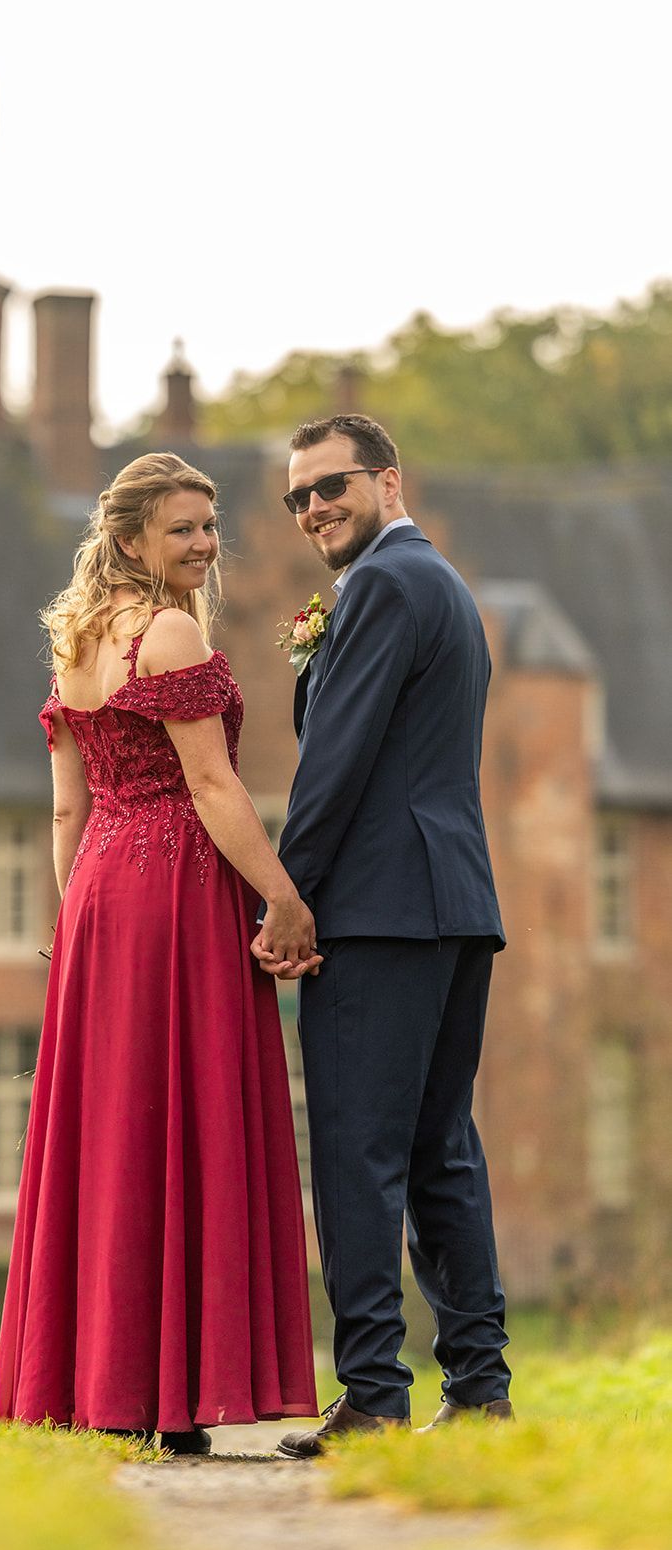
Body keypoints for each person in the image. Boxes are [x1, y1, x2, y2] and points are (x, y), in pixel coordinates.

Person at [0, 454, 320, 1452]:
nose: (204, 544)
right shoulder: (167, 630)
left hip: (99, 892)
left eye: (209, 526)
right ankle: (177, 1393)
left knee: (118, 1129)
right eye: (183, 529)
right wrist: (282, 897)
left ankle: (113, 1389)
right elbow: (212, 786)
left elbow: (67, 809)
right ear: (130, 539)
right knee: (183, 1114)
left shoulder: (76, 638)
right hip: (175, 886)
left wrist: (78, 920)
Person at [253, 414, 513, 1456]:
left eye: (332, 485)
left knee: (358, 1151)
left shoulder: (382, 586)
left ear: (387, 479)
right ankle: (480, 1389)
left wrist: (286, 896)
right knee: (437, 1147)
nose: (313, 506)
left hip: (377, 910)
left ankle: (370, 1392)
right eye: (298, 495)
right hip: (452, 905)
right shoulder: (439, 583)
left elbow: (337, 761)